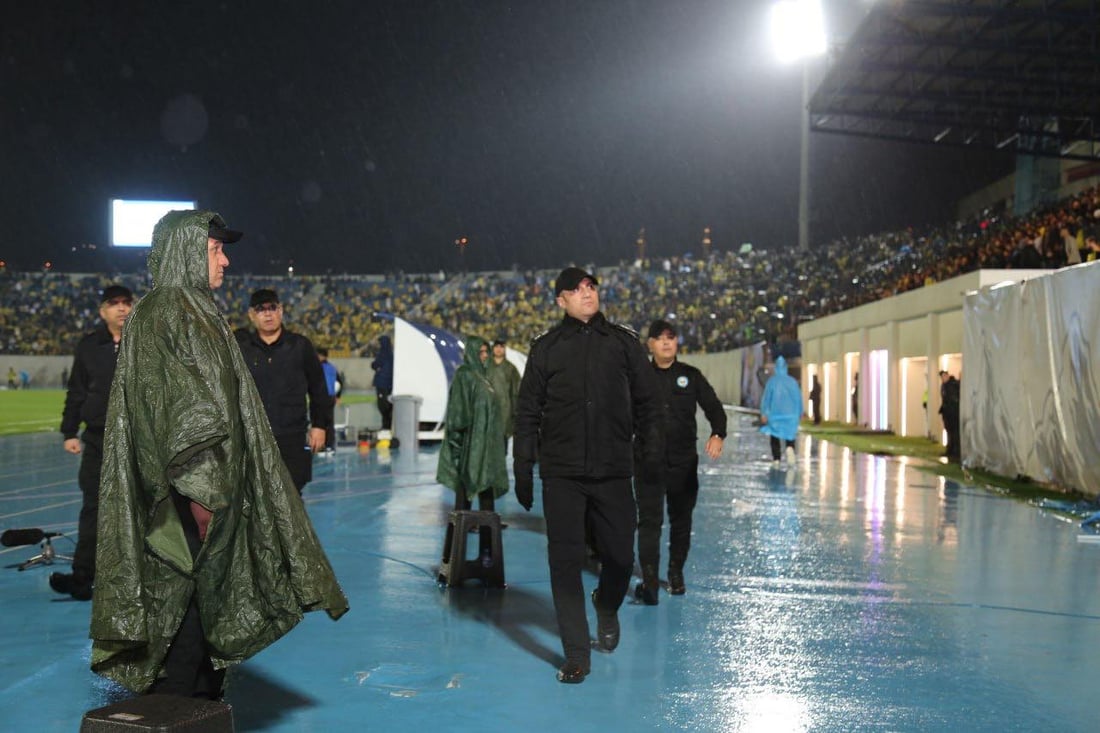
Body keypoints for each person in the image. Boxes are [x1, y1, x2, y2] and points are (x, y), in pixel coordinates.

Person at [90, 210, 347, 698]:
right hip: (190, 501)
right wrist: (209, 508)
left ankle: (197, 703)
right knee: (184, 615)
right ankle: (180, 708)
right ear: (187, 252)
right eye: (214, 250)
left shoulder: (191, 310)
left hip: (199, 497)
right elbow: (185, 422)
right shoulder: (171, 313)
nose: (225, 260)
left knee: (199, 617)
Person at [513, 266, 662, 684]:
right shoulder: (545, 349)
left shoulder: (623, 344)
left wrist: (650, 457)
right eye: (577, 290)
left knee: (619, 555)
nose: (587, 294)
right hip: (561, 474)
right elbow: (526, 413)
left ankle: (607, 603)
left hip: (614, 470)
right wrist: (523, 467)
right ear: (560, 300)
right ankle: (577, 654)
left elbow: (649, 403)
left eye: (591, 287)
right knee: (564, 561)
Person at [632, 320, 725, 605]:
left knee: (681, 522)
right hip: (647, 463)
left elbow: (714, 408)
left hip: (683, 465)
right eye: (659, 338)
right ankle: (649, 582)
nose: (666, 343)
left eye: (671, 338)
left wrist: (718, 434)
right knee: (649, 523)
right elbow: (619, 415)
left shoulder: (690, 376)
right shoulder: (637, 377)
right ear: (650, 344)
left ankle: (675, 574)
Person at [51, 284, 133, 601]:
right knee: (93, 510)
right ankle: (83, 577)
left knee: (144, 511)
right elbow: (77, 391)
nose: (122, 308)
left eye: (127, 302)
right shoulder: (88, 346)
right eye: (114, 303)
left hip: (137, 438)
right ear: (102, 311)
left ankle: (140, 580)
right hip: (98, 439)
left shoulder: (146, 343)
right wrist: (69, 431)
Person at [234, 289, 331, 492]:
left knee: (293, 497)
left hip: (292, 436)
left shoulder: (300, 346)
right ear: (251, 315)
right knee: (253, 498)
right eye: (261, 310)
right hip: (252, 436)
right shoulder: (240, 347)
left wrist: (319, 426)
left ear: (281, 311)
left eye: (272, 308)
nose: (268, 314)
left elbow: (318, 389)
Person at [436, 337, 508, 571]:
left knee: (487, 507)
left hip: (486, 456)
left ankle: (487, 556)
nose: (486, 356)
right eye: (482, 352)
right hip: (470, 454)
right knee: (462, 507)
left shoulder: (483, 378)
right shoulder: (465, 376)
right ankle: (453, 556)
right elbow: (457, 418)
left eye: (487, 352)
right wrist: (458, 455)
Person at [760, 355, 803, 465]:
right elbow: (798, 398)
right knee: (790, 435)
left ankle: (776, 458)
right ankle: (790, 448)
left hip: (775, 415)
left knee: (774, 437)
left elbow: (766, 398)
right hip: (791, 416)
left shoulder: (772, 382)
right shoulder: (793, 382)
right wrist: (800, 412)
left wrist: (764, 413)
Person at [485, 337, 521, 452]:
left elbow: (516, 391)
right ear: (493, 348)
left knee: (502, 441)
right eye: (496, 346)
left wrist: (516, 411)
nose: (499, 349)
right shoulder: (485, 366)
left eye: (501, 347)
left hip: (505, 410)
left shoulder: (511, 368)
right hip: (488, 408)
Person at [316, 347, 342, 453]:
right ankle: (330, 445)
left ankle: (320, 445)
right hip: (330, 397)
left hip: (321, 397)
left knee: (319, 422)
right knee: (329, 422)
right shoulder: (332, 367)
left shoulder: (317, 367)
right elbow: (340, 382)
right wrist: (338, 396)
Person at [371, 335, 394, 431]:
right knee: (389, 405)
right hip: (390, 384)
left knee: (383, 406)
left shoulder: (382, 354)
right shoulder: (392, 355)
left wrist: (376, 367)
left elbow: (374, 364)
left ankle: (386, 426)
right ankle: (388, 425)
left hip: (382, 384)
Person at [939, 370, 961, 461]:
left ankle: (955, 452)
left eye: (944, 376)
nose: (943, 378)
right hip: (947, 413)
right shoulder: (944, 386)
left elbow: (954, 399)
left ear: (947, 375)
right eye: (942, 377)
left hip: (953, 413)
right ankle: (950, 450)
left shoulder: (953, 384)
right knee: (949, 432)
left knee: (955, 433)